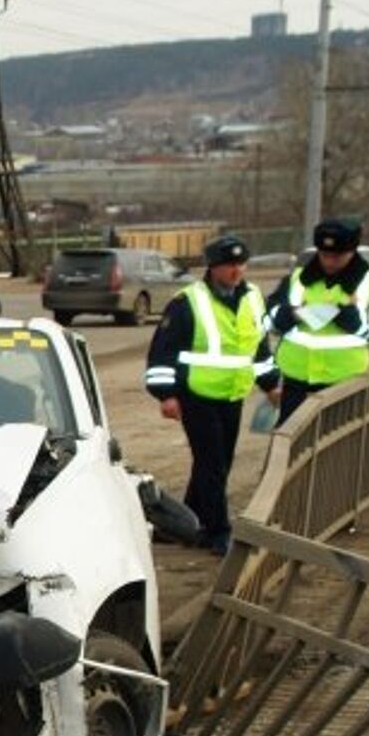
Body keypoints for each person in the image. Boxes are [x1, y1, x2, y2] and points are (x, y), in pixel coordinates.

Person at [144, 235, 281, 556]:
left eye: (240, 264)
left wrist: (271, 382)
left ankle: (185, 522)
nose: (236, 271)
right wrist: (165, 394)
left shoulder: (252, 298)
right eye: (228, 265)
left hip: (232, 393)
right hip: (196, 393)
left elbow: (257, 347)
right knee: (212, 465)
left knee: (218, 463)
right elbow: (162, 351)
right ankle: (218, 532)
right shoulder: (188, 301)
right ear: (213, 267)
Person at [265, 218, 369, 426]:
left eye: (337, 257)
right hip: (296, 383)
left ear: (352, 252)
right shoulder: (297, 278)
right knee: (290, 450)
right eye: (324, 255)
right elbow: (269, 319)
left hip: (344, 385)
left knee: (338, 451)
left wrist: (345, 313)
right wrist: (291, 315)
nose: (329, 262)